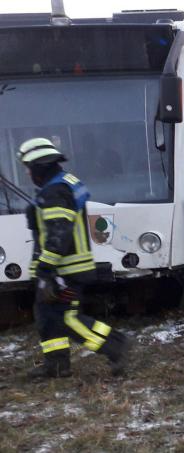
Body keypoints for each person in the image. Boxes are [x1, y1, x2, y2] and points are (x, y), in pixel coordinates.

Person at [18, 137, 131, 379]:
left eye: (28, 168)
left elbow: (59, 232)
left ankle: (116, 346)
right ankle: (56, 365)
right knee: (47, 315)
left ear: (39, 167)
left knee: (67, 318)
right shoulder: (62, 184)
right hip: (64, 267)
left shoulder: (55, 191)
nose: (27, 173)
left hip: (65, 269)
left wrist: (46, 270)